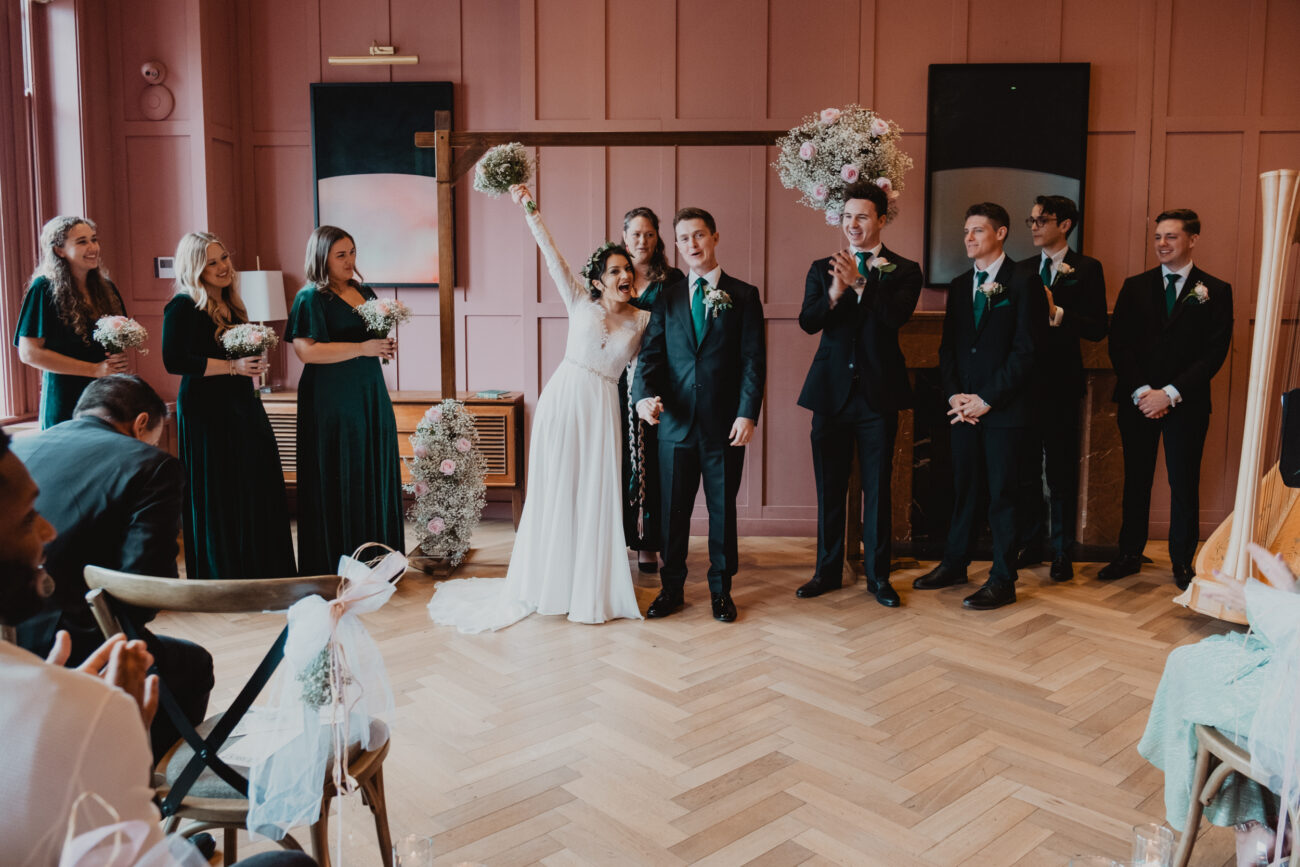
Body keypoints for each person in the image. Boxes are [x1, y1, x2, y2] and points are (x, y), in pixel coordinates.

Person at [0, 430, 316, 867]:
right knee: (287, 864)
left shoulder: (35, 441)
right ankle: (171, 797)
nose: (48, 529)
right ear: (142, 422)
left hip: (45, 650)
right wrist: (114, 735)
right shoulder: (87, 712)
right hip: (82, 667)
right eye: (27, 517)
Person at [427, 185, 646, 632]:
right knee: (558, 489)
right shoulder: (579, 300)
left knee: (594, 494)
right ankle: (549, 584)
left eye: (628, 269)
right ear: (599, 279)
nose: (625, 276)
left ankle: (591, 588)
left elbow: (647, 372)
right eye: (615, 270)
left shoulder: (642, 320)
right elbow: (551, 252)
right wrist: (528, 206)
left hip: (603, 408)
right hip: (564, 401)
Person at [13, 374, 215, 759]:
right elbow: (144, 592)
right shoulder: (151, 465)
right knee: (193, 664)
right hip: (70, 647)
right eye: (154, 434)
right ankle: (144, 786)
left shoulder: (23, 449)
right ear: (141, 423)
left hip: (10, 643)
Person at [633, 207, 767, 623]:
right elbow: (650, 358)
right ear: (676, 244)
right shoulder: (667, 298)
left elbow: (752, 361)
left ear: (715, 237)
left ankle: (721, 592)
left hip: (724, 426)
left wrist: (748, 414)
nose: (692, 244)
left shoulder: (743, 295)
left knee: (722, 511)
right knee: (672, 513)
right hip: (673, 426)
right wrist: (642, 398)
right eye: (684, 238)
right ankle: (671, 589)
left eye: (699, 236)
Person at [913, 202, 1046, 610]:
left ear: (1002, 233)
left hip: (1004, 411)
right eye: (966, 231)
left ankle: (1003, 579)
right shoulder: (957, 285)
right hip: (963, 412)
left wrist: (987, 400)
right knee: (964, 490)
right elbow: (949, 347)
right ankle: (955, 562)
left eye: (978, 231)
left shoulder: (1025, 281)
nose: (969, 238)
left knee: (1002, 495)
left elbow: (1027, 351)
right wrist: (955, 396)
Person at [795, 181, 922, 607]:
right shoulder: (820, 267)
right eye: (847, 217)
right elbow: (808, 323)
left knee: (877, 490)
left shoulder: (905, 270)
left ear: (881, 220)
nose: (852, 224)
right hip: (830, 395)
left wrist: (863, 283)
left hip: (877, 396)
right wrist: (835, 291)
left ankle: (878, 577)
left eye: (862, 216)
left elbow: (894, 318)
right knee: (830, 489)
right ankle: (826, 571)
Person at [1100, 209, 1233, 588]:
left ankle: (1182, 562)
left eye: (1171, 237)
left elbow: (1214, 352)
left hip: (1186, 403)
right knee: (1136, 480)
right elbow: (1119, 345)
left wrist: (1170, 394)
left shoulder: (1216, 290)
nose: (1162, 243)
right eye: (1158, 236)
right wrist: (1144, 392)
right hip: (1138, 401)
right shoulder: (1135, 286)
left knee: (1183, 483)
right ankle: (1128, 554)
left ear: (1192, 239)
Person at [163, 232, 296, 580]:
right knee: (219, 488)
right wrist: (233, 367)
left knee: (256, 477)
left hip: (241, 401)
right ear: (194, 267)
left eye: (224, 258)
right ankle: (222, 572)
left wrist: (250, 363)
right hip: (205, 409)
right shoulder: (181, 306)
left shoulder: (234, 304)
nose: (223, 267)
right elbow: (174, 360)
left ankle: (261, 566)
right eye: (212, 262)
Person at [287, 226, 405, 576]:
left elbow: (368, 341)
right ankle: (337, 561)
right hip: (331, 399)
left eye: (352, 252)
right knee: (340, 470)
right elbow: (305, 352)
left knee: (372, 466)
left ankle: (377, 559)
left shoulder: (362, 290)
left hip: (368, 392)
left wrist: (380, 346)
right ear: (322, 258)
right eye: (341, 255)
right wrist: (362, 348)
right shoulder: (310, 297)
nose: (350, 261)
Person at [1014, 195, 1108, 581]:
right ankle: (1030, 542)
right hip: (1021, 387)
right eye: (1031, 219)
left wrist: (1058, 313)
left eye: (1043, 219)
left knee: (1060, 473)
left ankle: (1061, 551)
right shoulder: (1019, 270)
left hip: (1062, 386)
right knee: (1024, 472)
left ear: (1066, 224)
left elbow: (1097, 327)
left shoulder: (1087, 269)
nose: (1034, 226)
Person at [13, 215, 130, 428]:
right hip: (66, 399)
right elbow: (29, 353)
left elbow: (117, 337)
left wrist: (117, 359)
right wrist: (93, 369)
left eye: (94, 239)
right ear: (59, 250)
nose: (93, 247)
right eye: (82, 242)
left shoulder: (106, 288)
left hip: (105, 396)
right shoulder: (43, 289)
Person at [620, 207, 684, 574]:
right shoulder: (615, 274)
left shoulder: (671, 279)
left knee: (656, 465)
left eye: (648, 234)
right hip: (617, 381)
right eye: (635, 234)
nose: (641, 241)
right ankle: (619, 538)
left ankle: (649, 543)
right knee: (621, 461)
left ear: (657, 237)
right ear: (624, 236)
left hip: (659, 382)